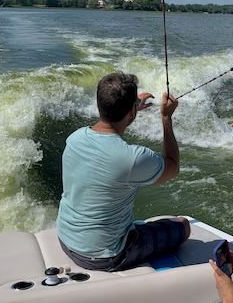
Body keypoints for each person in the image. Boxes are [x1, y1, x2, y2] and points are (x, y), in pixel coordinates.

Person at [56, 72, 190, 272]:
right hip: (106, 255)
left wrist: (133, 106)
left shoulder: (74, 138)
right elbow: (172, 167)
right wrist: (166, 117)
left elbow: (106, 122)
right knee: (183, 225)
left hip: (66, 239)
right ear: (131, 113)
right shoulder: (133, 158)